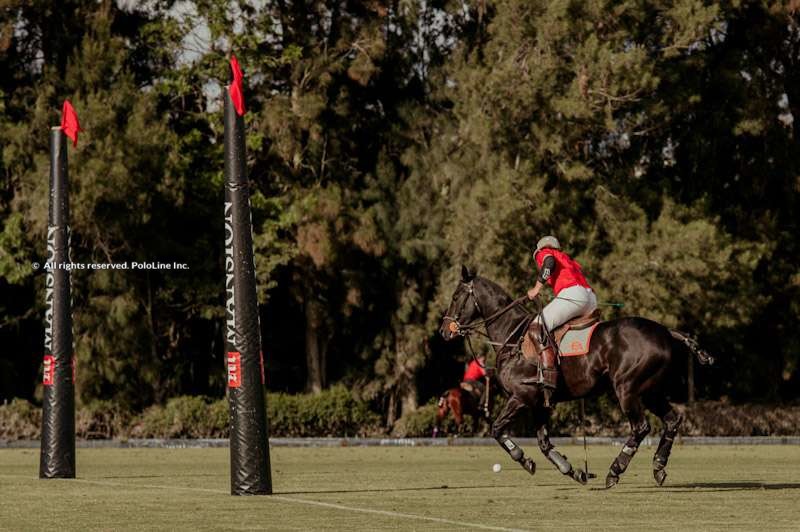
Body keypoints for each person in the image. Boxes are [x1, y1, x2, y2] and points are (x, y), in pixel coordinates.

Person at [526, 236, 597, 407]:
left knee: (536, 327)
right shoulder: (568, 259)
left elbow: (548, 263)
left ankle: (548, 377)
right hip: (590, 298)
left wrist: (536, 288)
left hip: (573, 296)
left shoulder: (545, 252)